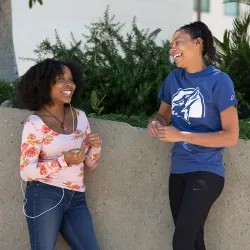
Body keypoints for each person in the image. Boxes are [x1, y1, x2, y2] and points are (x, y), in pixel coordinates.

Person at [148, 21, 239, 250]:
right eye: (171, 44)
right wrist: (156, 122)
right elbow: (162, 115)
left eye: (178, 42)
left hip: (207, 172)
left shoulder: (219, 81)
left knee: (181, 242)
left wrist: (182, 135)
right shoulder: (173, 80)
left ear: (198, 43)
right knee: (194, 240)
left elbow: (231, 136)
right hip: (178, 171)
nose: (172, 48)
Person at [17, 59, 101, 250]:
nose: (68, 84)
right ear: (44, 84)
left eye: (71, 79)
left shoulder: (80, 117)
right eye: (60, 79)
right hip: (45, 194)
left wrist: (95, 147)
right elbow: (26, 172)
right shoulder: (35, 123)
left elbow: (90, 164)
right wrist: (64, 161)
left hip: (77, 198)